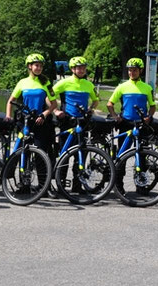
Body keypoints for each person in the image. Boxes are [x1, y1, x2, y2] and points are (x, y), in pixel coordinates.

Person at [106, 57, 157, 195]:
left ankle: (141, 184)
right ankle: (119, 185)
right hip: (126, 124)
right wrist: (115, 116)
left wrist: (149, 117)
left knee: (142, 156)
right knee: (121, 156)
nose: (132, 73)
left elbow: (152, 106)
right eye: (129, 70)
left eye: (134, 70)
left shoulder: (147, 88)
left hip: (142, 125)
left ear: (140, 71)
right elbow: (110, 103)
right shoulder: (122, 87)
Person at [52, 56, 99, 193]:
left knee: (81, 154)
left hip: (82, 122)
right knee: (64, 153)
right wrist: (55, 110)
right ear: (72, 69)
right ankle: (61, 186)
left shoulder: (88, 85)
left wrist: (91, 109)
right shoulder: (64, 83)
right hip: (67, 121)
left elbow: (96, 100)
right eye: (78, 68)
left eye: (83, 68)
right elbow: (49, 95)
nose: (81, 70)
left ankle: (77, 185)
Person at [4, 53, 58, 168]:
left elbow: (54, 104)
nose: (39, 68)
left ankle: (42, 184)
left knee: (40, 154)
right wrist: (8, 115)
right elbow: (10, 101)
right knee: (22, 151)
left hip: (40, 121)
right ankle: (23, 181)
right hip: (25, 120)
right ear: (30, 66)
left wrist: (45, 114)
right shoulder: (22, 82)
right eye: (36, 65)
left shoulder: (46, 83)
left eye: (41, 66)